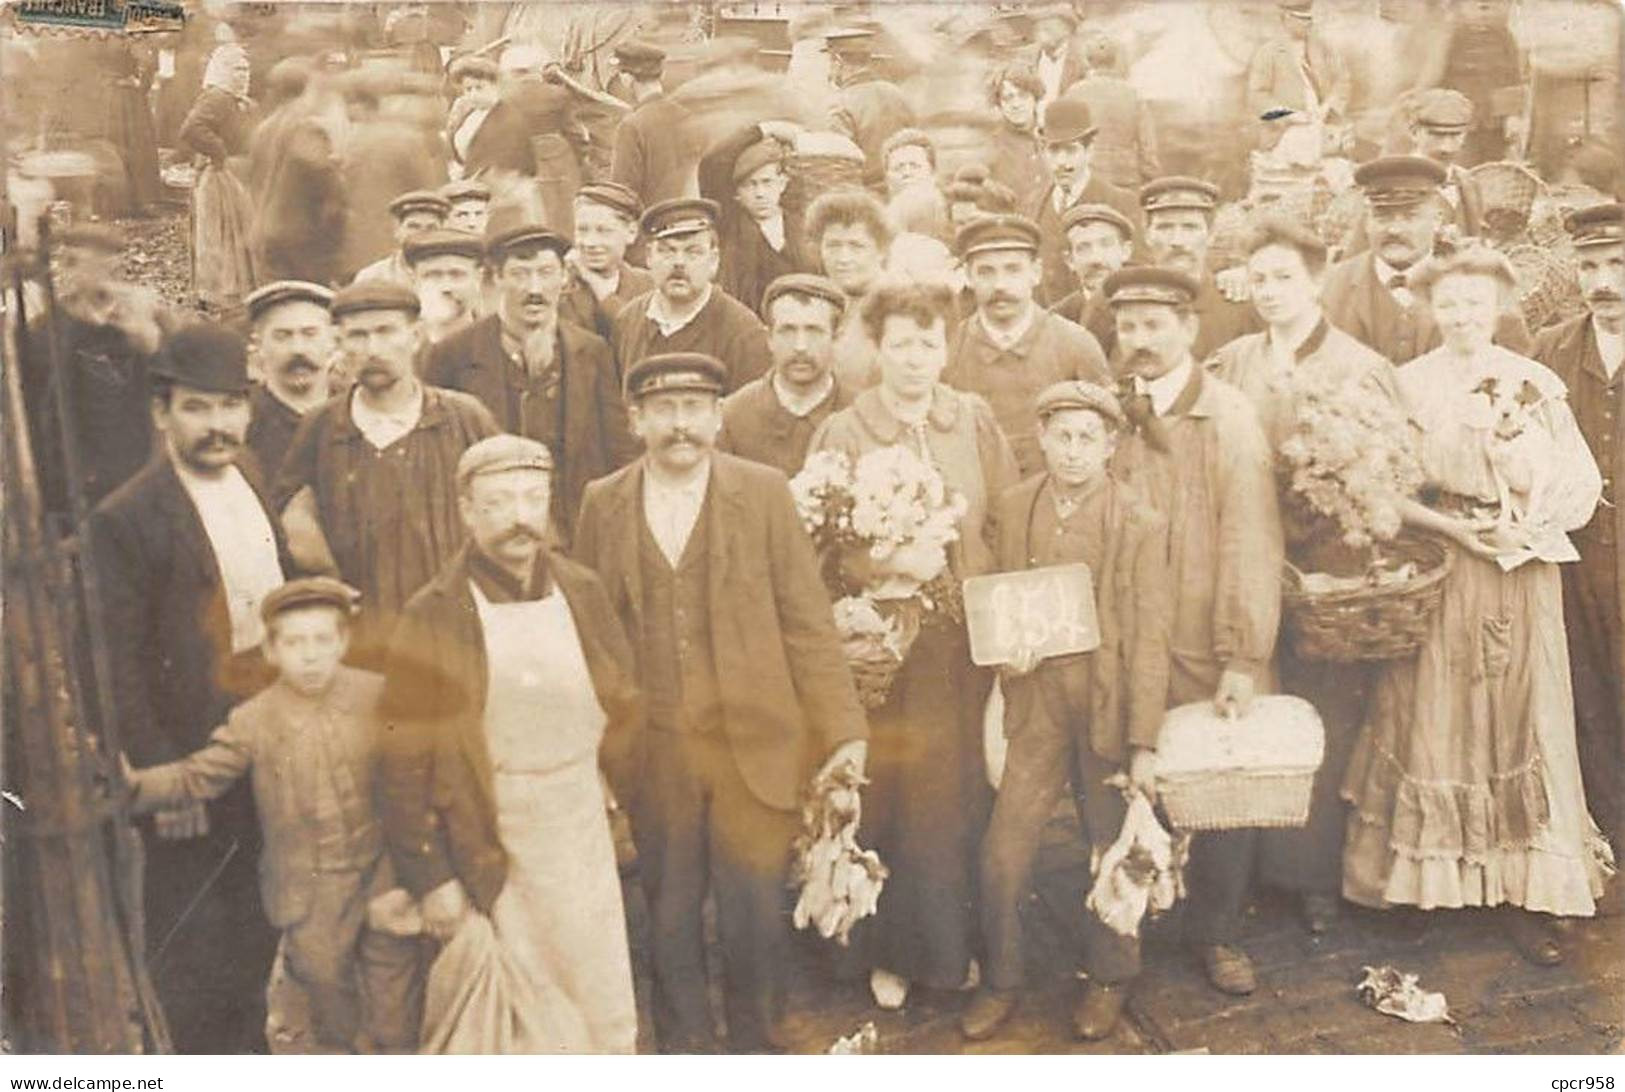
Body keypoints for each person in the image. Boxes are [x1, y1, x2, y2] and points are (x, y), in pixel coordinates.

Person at [573, 353, 869, 1052]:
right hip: (656, 751)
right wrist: (597, 751)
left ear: (715, 417)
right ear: (636, 419)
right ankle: (683, 1049)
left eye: (695, 409)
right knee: (669, 916)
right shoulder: (603, 501)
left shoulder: (763, 493)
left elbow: (806, 621)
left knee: (753, 916)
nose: (681, 426)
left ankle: (756, 1047)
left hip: (754, 748)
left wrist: (843, 732)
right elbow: (593, 639)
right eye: (664, 410)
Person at [1341, 245, 1612, 962]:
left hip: (1518, 568)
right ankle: (1428, 885)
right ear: (1429, 308)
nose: (1461, 314)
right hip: (1443, 561)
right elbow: (1382, 488)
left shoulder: (1532, 382)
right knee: (1435, 710)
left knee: (1520, 711)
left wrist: (1524, 515)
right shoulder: (1403, 385)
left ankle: (1521, 890)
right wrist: (1455, 528)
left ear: (1498, 306)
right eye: (1448, 301)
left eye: (1475, 300)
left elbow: (1576, 482)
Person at [379, 435, 643, 1053]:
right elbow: (402, 762)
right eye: (497, 503)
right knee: (519, 1024)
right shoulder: (434, 615)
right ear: (467, 513)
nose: (518, 519)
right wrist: (433, 877)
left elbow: (624, 704)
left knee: (597, 1003)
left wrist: (615, 791)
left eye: (531, 499)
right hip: (492, 836)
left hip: (580, 828)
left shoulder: (582, 592)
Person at [809, 275, 1020, 1012]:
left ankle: (947, 945)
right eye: (900, 344)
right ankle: (887, 949)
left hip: (963, 642)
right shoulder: (846, 429)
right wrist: (888, 570)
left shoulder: (971, 420)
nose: (914, 359)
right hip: (887, 649)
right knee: (896, 799)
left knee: (957, 799)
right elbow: (823, 543)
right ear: (876, 349)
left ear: (944, 348)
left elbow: (1002, 520)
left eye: (927, 344)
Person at [91, 322, 292, 1052]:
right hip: (189, 760)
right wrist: (162, 777)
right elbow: (113, 664)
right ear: (161, 413)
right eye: (198, 408)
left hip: (265, 737)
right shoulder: (127, 518)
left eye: (230, 407)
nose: (218, 426)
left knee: (256, 927)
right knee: (193, 943)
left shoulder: (252, 480)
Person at [125, 578, 424, 1054]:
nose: (310, 656)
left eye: (323, 640)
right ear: (270, 650)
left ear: (344, 641)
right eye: (294, 642)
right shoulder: (255, 720)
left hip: (380, 875)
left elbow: (416, 777)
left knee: (396, 1016)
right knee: (334, 1011)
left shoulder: (377, 696)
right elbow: (198, 776)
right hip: (311, 894)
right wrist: (134, 787)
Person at [1210, 217, 1406, 937]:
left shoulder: (1358, 365)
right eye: (1257, 279)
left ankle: (1312, 875)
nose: (1268, 292)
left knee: (1323, 720)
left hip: (1330, 569)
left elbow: (1389, 475)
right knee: (1256, 705)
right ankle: (1253, 869)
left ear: (1316, 280)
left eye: (1283, 277)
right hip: (1249, 563)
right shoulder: (1231, 361)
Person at [961, 380, 1171, 1042]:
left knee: (1110, 846)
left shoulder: (1137, 521)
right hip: (1036, 705)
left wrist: (1142, 742)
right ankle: (1002, 978)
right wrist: (1005, 657)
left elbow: (1149, 636)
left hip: (1104, 707)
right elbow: (997, 602)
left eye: (1088, 439)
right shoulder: (1015, 504)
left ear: (1110, 446)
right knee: (1002, 853)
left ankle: (1108, 976)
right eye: (1061, 436)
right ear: (1041, 438)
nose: (1073, 452)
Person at [1103, 266, 1283, 996]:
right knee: (1129, 781)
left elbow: (1250, 536)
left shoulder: (1226, 415)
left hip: (1206, 636)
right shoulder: (1112, 413)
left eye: (1154, 326)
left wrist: (1241, 653)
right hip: (1131, 638)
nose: (1139, 341)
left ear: (1188, 331)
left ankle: (1216, 932)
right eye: (1127, 326)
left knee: (1220, 788)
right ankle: (1123, 932)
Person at [275, 280, 499, 652]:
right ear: (339, 344)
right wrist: (324, 577)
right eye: (357, 336)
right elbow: (291, 513)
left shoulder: (464, 418)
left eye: (385, 332)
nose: (372, 349)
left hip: (454, 637)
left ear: (415, 336)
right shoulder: (322, 427)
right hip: (360, 637)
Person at [423, 223, 635, 543]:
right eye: (520, 274)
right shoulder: (453, 356)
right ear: (496, 279)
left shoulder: (593, 352)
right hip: (488, 537)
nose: (534, 289)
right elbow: (437, 463)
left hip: (575, 536)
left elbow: (620, 453)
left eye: (546, 272)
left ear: (564, 278)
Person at [1531, 202, 1624, 855]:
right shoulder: (1551, 351)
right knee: (1588, 694)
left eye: (1617, 263)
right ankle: (1613, 841)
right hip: (1581, 556)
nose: (1603, 282)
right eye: (1589, 265)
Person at [21, 224, 169, 524]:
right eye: (66, 262)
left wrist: (151, 342)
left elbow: (176, 379)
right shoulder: (46, 331)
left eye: (76, 262)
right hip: (76, 480)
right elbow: (37, 414)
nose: (65, 272)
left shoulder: (145, 317)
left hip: (139, 467)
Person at [944, 214, 1110, 477]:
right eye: (986, 272)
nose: (1000, 285)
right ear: (968, 276)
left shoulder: (1076, 345)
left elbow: (1106, 438)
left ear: (1035, 272)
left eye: (1013, 270)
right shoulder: (948, 349)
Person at [1321, 156, 1531, 363]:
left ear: (1437, 219)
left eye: (1411, 216)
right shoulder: (1330, 286)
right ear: (1366, 222)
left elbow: (1516, 373)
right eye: (1382, 216)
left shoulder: (1482, 282)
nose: (1395, 229)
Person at [610, 199, 771, 394]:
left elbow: (745, 417)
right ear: (649, 257)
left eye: (692, 252)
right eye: (667, 251)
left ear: (713, 261)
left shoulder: (743, 332)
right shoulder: (628, 321)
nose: (679, 263)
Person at [718, 273, 852, 476]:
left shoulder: (861, 415)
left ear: (837, 339)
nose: (800, 346)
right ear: (769, 338)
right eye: (787, 331)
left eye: (814, 331)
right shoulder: (732, 417)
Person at [1027, 93, 1141, 307]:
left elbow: (1140, 277)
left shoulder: (1121, 203)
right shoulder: (1033, 205)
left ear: (1090, 151)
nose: (1061, 162)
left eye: (1071, 151)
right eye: (1053, 151)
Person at [698, 120, 815, 321]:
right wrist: (764, 129)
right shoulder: (730, 226)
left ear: (782, 184)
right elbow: (712, 162)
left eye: (767, 182)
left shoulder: (803, 224)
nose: (760, 193)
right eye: (750, 185)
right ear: (737, 194)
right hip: (747, 327)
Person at [1138, 177, 1263, 361]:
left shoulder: (1239, 305)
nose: (1177, 241)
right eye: (1165, 227)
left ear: (1211, 235)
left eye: (1190, 227)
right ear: (1147, 234)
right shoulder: (1115, 304)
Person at [336, 78, 447, 283]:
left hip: (351, 250)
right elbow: (431, 193)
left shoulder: (343, 141)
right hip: (397, 245)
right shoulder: (406, 139)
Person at [180, 43, 258, 312]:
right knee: (219, 235)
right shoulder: (216, 97)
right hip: (220, 178)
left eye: (246, 69)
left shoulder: (240, 101)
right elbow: (192, 129)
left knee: (236, 234)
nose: (243, 75)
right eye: (236, 69)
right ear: (222, 71)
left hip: (237, 175)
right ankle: (216, 294)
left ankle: (236, 290)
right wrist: (219, 153)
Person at [245, 280, 337, 482]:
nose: (298, 348)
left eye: (310, 334)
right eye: (282, 336)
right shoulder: (244, 423)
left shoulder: (356, 413)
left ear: (333, 341)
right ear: (258, 345)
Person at [805, 189, 894, 391]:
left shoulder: (900, 308)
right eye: (833, 246)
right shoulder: (819, 302)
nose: (843, 258)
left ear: (881, 251)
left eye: (856, 246)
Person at [1245, 0, 1351, 155]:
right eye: (1302, 19)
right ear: (1286, 18)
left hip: (1324, 126)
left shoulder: (1324, 48)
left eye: (1309, 19)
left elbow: (1343, 80)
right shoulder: (1268, 52)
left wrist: (1329, 106)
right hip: (1284, 133)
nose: (1308, 24)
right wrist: (1289, 116)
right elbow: (1257, 97)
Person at [560, 181, 655, 342]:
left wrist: (597, 284)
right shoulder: (561, 285)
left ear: (631, 232)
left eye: (603, 231)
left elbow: (641, 338)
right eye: (582, 230)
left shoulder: (648, 285)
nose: (590, 242)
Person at [1435, 0, 1524, 167]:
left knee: (1493, 168)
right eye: (1473, 5)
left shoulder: (1503, 37)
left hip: (1495, 122)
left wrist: (1513, 116)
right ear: (1460, 8)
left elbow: (1513, 77)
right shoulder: (1451, 38)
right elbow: (1438, 77)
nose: (1483, 12)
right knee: (1462, 168)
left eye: (1490, 6)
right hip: (1460, 122)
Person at [1068, 32, 1161, 192]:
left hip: (1087, 178)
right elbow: (1147, 146)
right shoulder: (1133, 94)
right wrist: (1151, 176)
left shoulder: (1074, 93)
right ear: (1115, 60)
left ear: (1089, 61)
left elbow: (1065, 138)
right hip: (1125, 179)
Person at [609, 40, 697, 207]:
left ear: (626, 78)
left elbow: (623, 191)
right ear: (661, 75)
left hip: (650, 222)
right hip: (686, 218)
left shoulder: (632, 125)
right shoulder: (687, 115)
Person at [826, 27, 916, 187]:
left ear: (837, 61)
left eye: (829, 62)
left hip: (865, 195)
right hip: (902, 186)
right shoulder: (897, 93)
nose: (829, 71)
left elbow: (840, 163)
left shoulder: (840, 103)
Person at [1045, 203, 1134, 356]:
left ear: (1125, 251)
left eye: (1106, 245)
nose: (1096, 259)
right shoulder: (1054, 321)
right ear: (1069, 260)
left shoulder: (1146, 309)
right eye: (1084, 248)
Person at [1405, 89, 1485, 236]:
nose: (1446, 147)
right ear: (1414, 133)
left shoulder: (1469, 183)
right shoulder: (1395, 183)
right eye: (1437, 135)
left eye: (1455, 135)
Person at [445, 53, 533, 180]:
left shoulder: (509, 118)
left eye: (479, 88)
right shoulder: (467, 116)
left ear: (495, 85)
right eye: (468, 89)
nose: (473, 94)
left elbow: (513, 163)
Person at [984, 64, 1048, 216]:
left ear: (1035, 98)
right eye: (1008, 98)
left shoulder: (1053, 138)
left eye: (1023, 96)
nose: (1016, 104)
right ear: (999, 104)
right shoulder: (991, 147)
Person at [404, 230, 486, 345]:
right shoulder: (400, 348)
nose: (446, 287)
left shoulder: (499, 344)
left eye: (457, 274)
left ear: (479, 277)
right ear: (413, 279)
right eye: (433, 275)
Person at [355, 191, 450, 286]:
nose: (422, 234)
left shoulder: (454, 275)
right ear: (397, 231)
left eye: (431, 228)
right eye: (413, 226)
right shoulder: (373, 276)